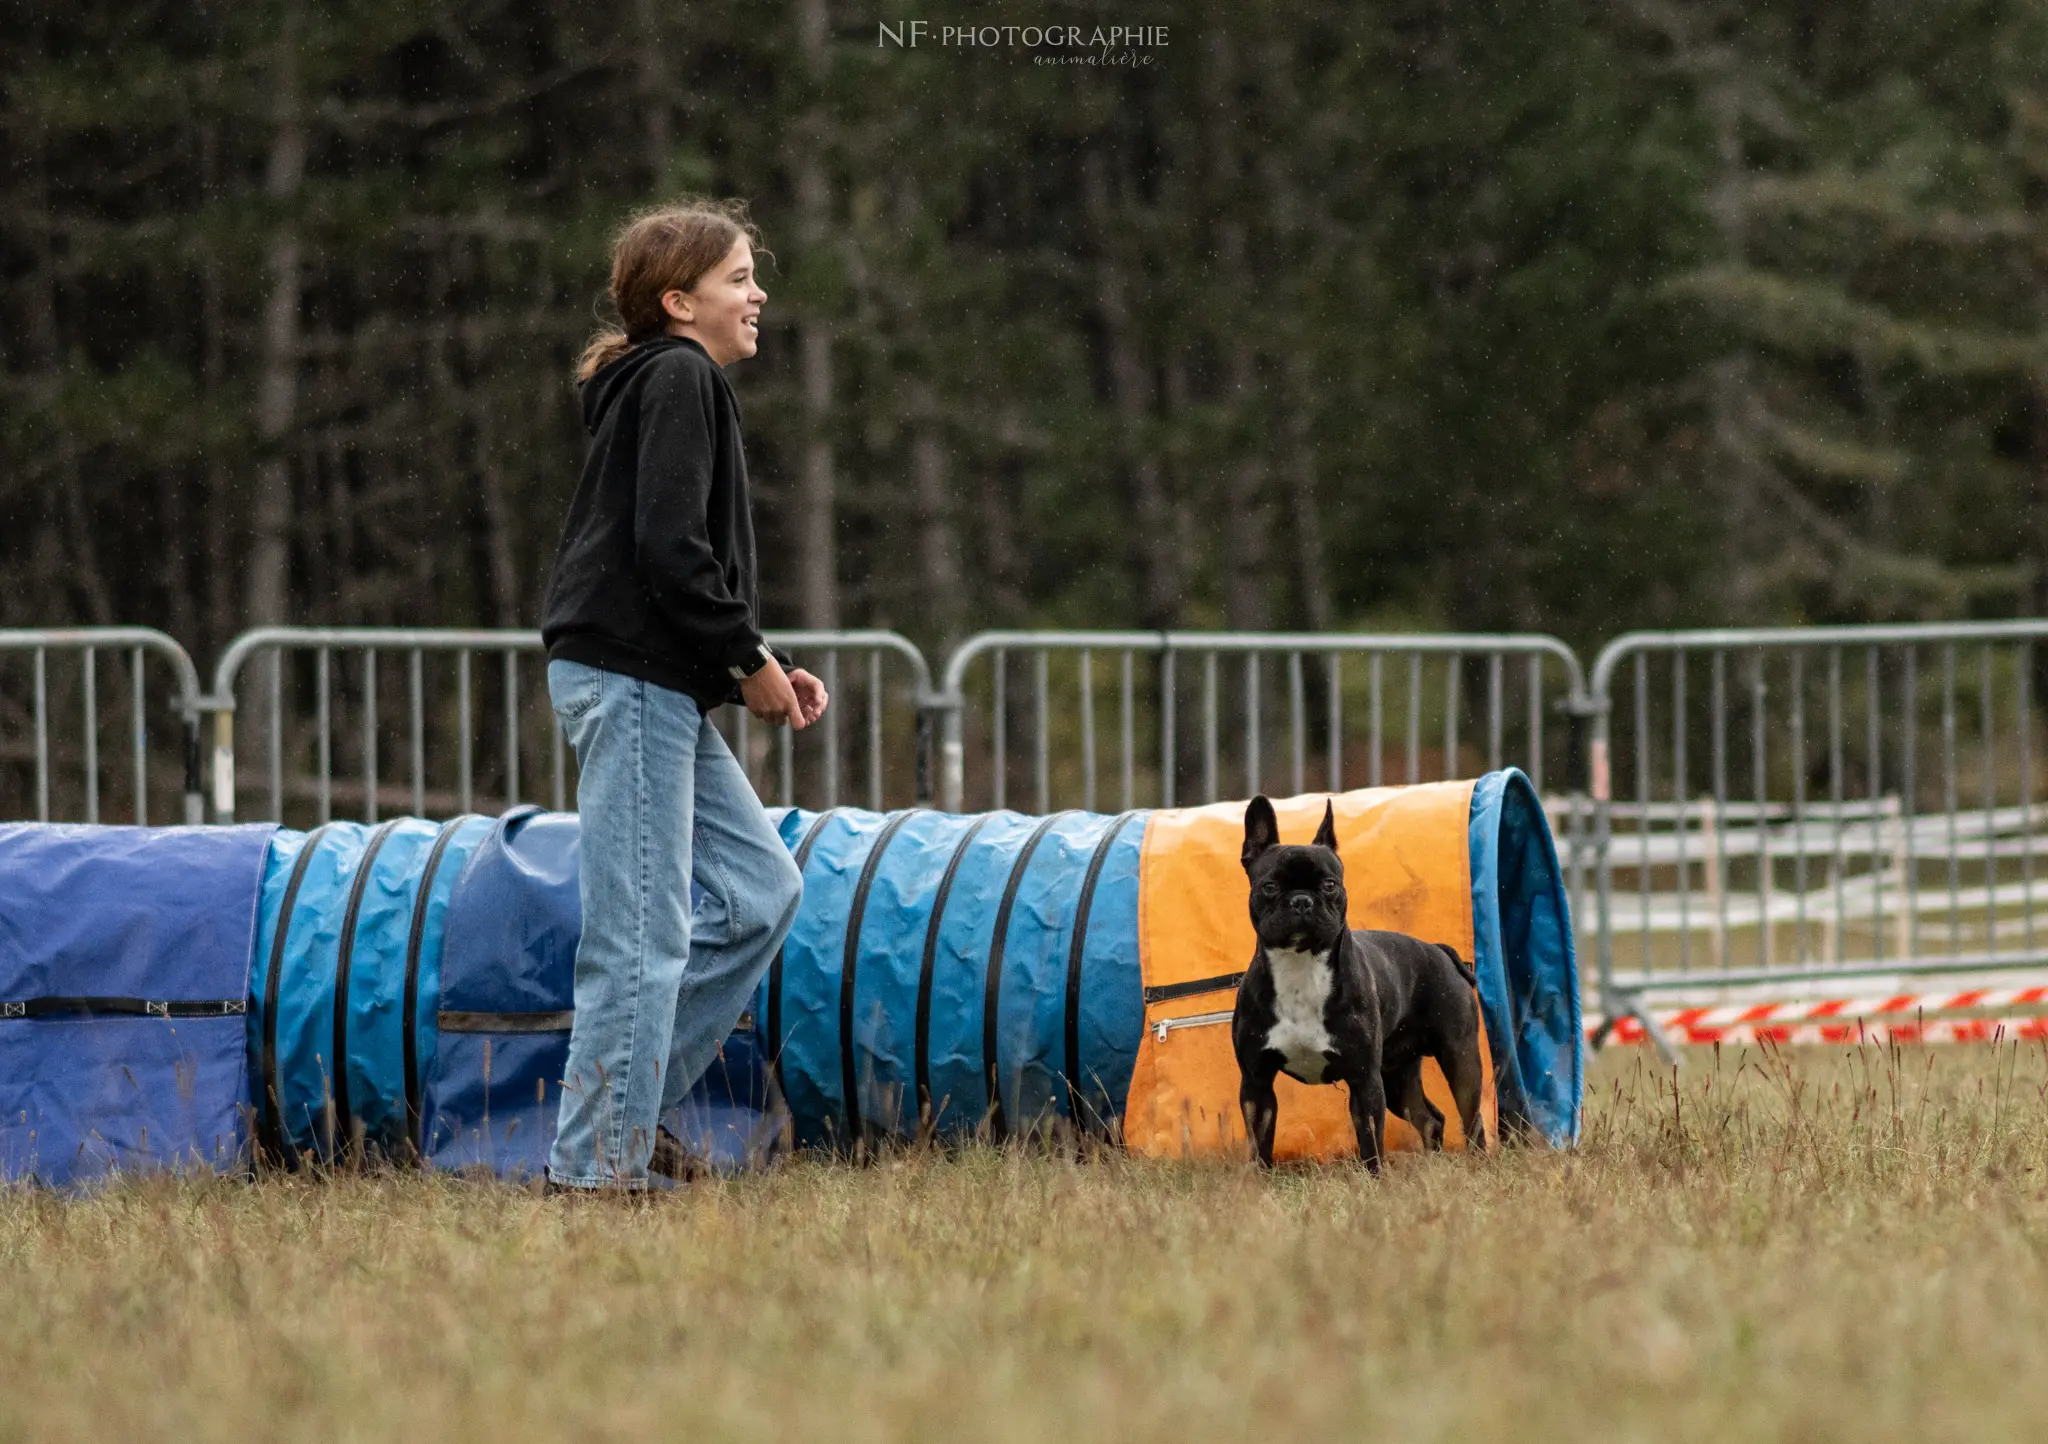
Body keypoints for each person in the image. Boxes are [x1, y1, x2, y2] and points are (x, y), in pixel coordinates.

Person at [538, 198, 826, 1192]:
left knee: (759, 893)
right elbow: (669, 548)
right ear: (678, 302)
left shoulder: (663, 380)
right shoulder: (677, 376)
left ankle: (629, 1109)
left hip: (649, 676)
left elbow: (663, 552)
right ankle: (591, 1176)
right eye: (739, 279)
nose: (757, 296)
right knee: (641, 936)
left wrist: (753, 659)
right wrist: (743, 658)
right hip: (630, 680)